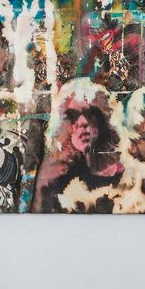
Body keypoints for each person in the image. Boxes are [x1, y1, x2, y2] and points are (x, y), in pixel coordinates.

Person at [31, 81, 125, 212]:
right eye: (73, 117)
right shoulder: (57, 175)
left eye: (90, 114)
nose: (82, 123)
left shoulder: (130, 170)